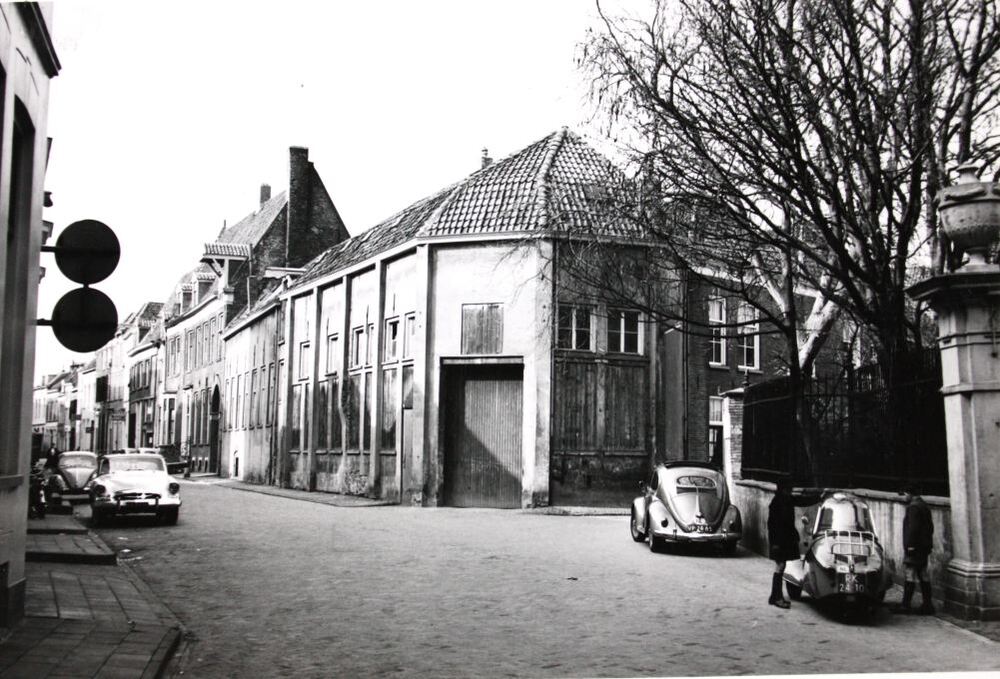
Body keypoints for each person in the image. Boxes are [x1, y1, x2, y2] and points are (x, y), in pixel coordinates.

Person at [767, 477, 823, 609]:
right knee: (780, 566)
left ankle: (774, 597)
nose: (790, 491)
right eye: (788, 489)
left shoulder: (786, 499)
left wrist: (819, 497)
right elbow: (772, 525)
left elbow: (802, 501)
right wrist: (775, 544)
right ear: (783, 489)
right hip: (779, 541)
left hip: (784, 540)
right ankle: (777, 598)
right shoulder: (776, 503)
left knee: (781, 566)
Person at [894, 486, 935, 615]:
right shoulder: (924, 505)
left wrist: (910, 545)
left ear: (910, 494)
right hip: (924, 546)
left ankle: (905, 605)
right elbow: (930, 527)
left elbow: (913, 528)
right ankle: (928, 605)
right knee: (923, 573)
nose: (905, 497)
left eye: (906, 494)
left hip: (915, 547)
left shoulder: (913, 507)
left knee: (910, 573)